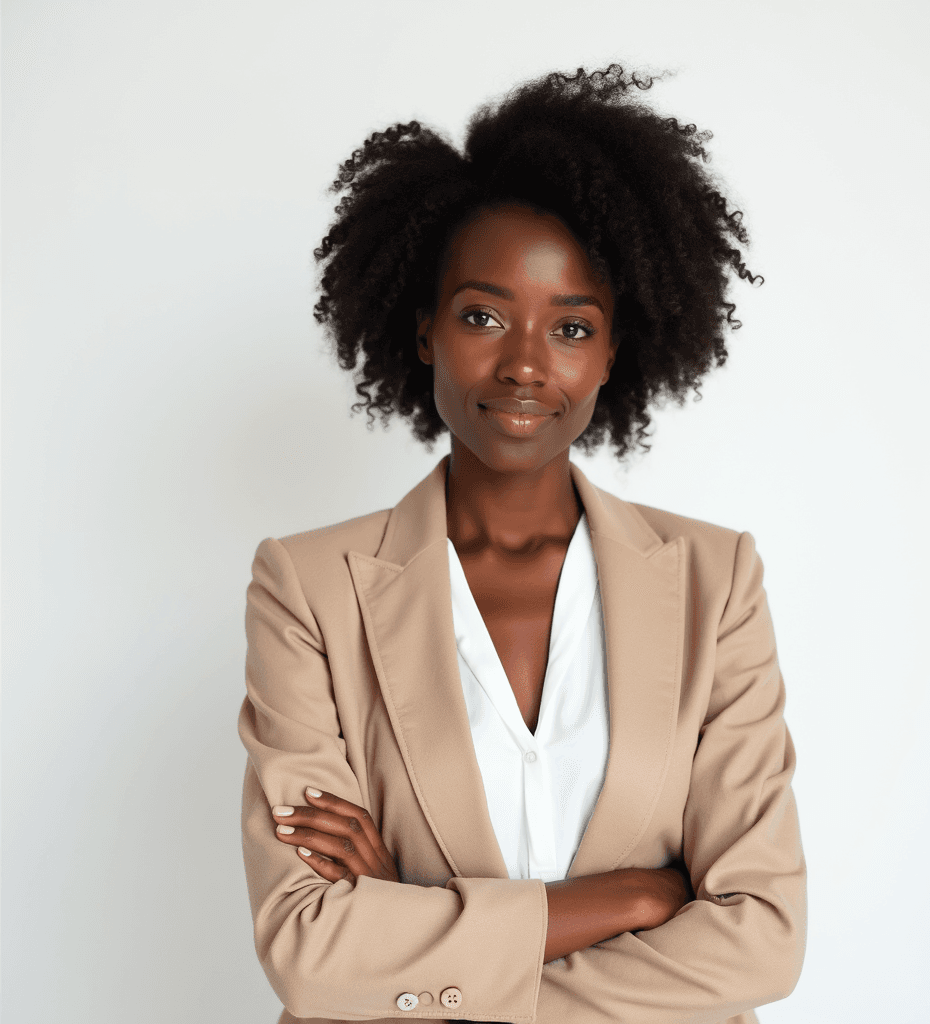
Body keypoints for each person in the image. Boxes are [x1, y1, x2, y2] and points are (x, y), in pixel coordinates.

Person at [238, 65, 806, 1024]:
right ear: (424, 329)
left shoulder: (717, 583)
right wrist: (630, 901)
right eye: (483, 315)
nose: (528, 364)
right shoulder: (309, 588)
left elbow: (761, 939)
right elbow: (309, 949)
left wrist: (419, 930)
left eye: (572, 326)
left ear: (615, 351)